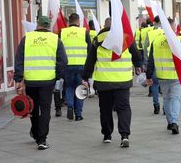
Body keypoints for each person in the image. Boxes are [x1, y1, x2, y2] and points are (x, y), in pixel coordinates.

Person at [82, 17, 141, 148]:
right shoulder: (125, 37)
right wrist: (138, 65)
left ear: (104, 25)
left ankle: (107, 135)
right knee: (124, 108)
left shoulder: (98, 39)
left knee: (105, 109)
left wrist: (86, 77)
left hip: (104, 81)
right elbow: (136, 54)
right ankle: (124, 135)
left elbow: (90, 60)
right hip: (123, 80)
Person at [14, 16, 67, 150]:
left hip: (31, 80)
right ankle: (42, 139)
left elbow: (19, 59)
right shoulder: (55, 39)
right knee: (45, 109)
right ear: (48, 26)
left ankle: (37, 134)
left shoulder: (27, 38)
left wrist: (19, 79)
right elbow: (63, 61)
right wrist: (57, 76)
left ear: (37, 24)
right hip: (47, 81)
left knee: (32, 107)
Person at [146, 18, 181, 134]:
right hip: (175, 75)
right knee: (175, 98)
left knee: (166, 98)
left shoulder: (156, 41)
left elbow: (150, 60)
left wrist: (148, 76)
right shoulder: (179, 40)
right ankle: (175, 122)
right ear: (173, 26)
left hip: (161, 75)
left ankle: (170, 122)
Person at [61, 13, 91, 121]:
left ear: (69, 21)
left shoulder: (63, 32)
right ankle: (78, 114)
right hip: (81, 65)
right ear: (78, 21)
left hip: (67, 66)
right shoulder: (84, 32)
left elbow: (59, 50)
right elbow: (90, 50)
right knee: (80, 88)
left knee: (69, 86)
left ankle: (70, 105)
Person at [143, 16, 164, 114]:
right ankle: (165, 106)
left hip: (153, 62)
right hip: (165, 62)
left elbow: (145, 48)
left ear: (154, 23)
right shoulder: (165, 32)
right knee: (165, 86)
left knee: (154, 84)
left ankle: (156, 105)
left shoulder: (150, 33)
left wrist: (146, 63)